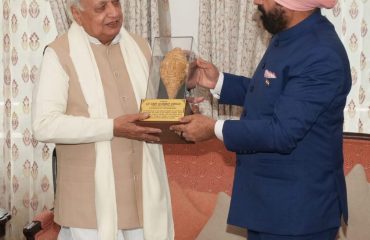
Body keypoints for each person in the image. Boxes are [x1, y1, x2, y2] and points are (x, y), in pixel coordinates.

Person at [170, 0, 351, 239]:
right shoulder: (290, 35)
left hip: (297, 217)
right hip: (267, 207)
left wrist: (214, 129)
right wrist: (217, 82)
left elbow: (282, 133)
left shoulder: (320, 53)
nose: (256, 1)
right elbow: (272, 95)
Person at [32, 0, 174, 239]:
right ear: (77, 14)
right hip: (89, 208)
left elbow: (154, 109)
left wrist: (180, 98)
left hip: (145, 200)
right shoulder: (59, 53)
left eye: (116, 3)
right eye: (101, 8)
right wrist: (111, 127)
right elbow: (44, 125)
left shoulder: (140, 47)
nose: (114, 13)